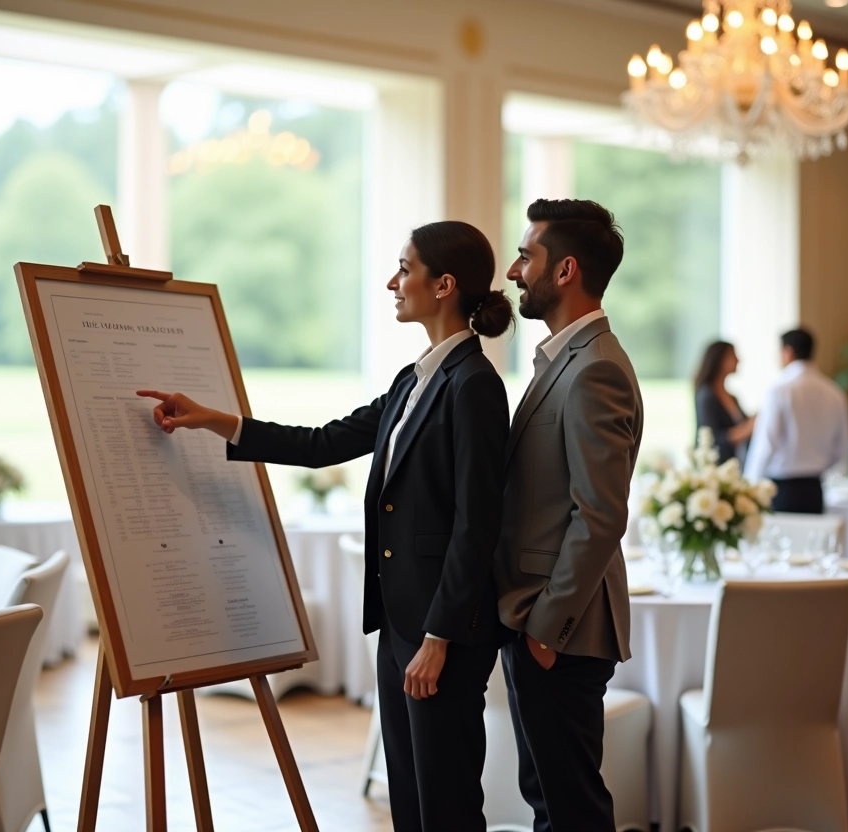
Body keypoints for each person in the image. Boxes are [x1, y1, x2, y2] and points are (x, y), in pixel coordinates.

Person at [138, 221, 513, 831]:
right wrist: (213, 420)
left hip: (440, 635)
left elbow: (478, 524)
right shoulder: (413, 379)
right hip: (401, 624)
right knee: (410, 798)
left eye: (404, 269)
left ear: (443, 285)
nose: (392, 283)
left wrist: (438, 639)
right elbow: (322, 444)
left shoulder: (474, 385)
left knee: (446, 804)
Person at [494, 198, 642, 831]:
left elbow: (600, 516)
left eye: (525, 256)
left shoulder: (596, 369)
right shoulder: (567, 358)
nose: (512, 271)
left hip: (560, 628)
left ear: (565, 270)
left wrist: (544, 631)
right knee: (549, 801)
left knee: (570, 809)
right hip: (541, 620)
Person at [743, 328, 848, 513]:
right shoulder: (835, 393)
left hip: (782, 490)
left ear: (788, 352)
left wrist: (749, 486)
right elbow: (842, 448)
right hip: (815, 489)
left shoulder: (780, 390)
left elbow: (766, 444)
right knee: (813, 532)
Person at [693, 340, 755, 464]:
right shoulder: (706, 395)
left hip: (735, 464)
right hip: (714, 467)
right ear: (720, 360)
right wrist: (746, 429)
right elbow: (711, 438)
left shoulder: (732, 397)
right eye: (733, 355)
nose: (738, 360)